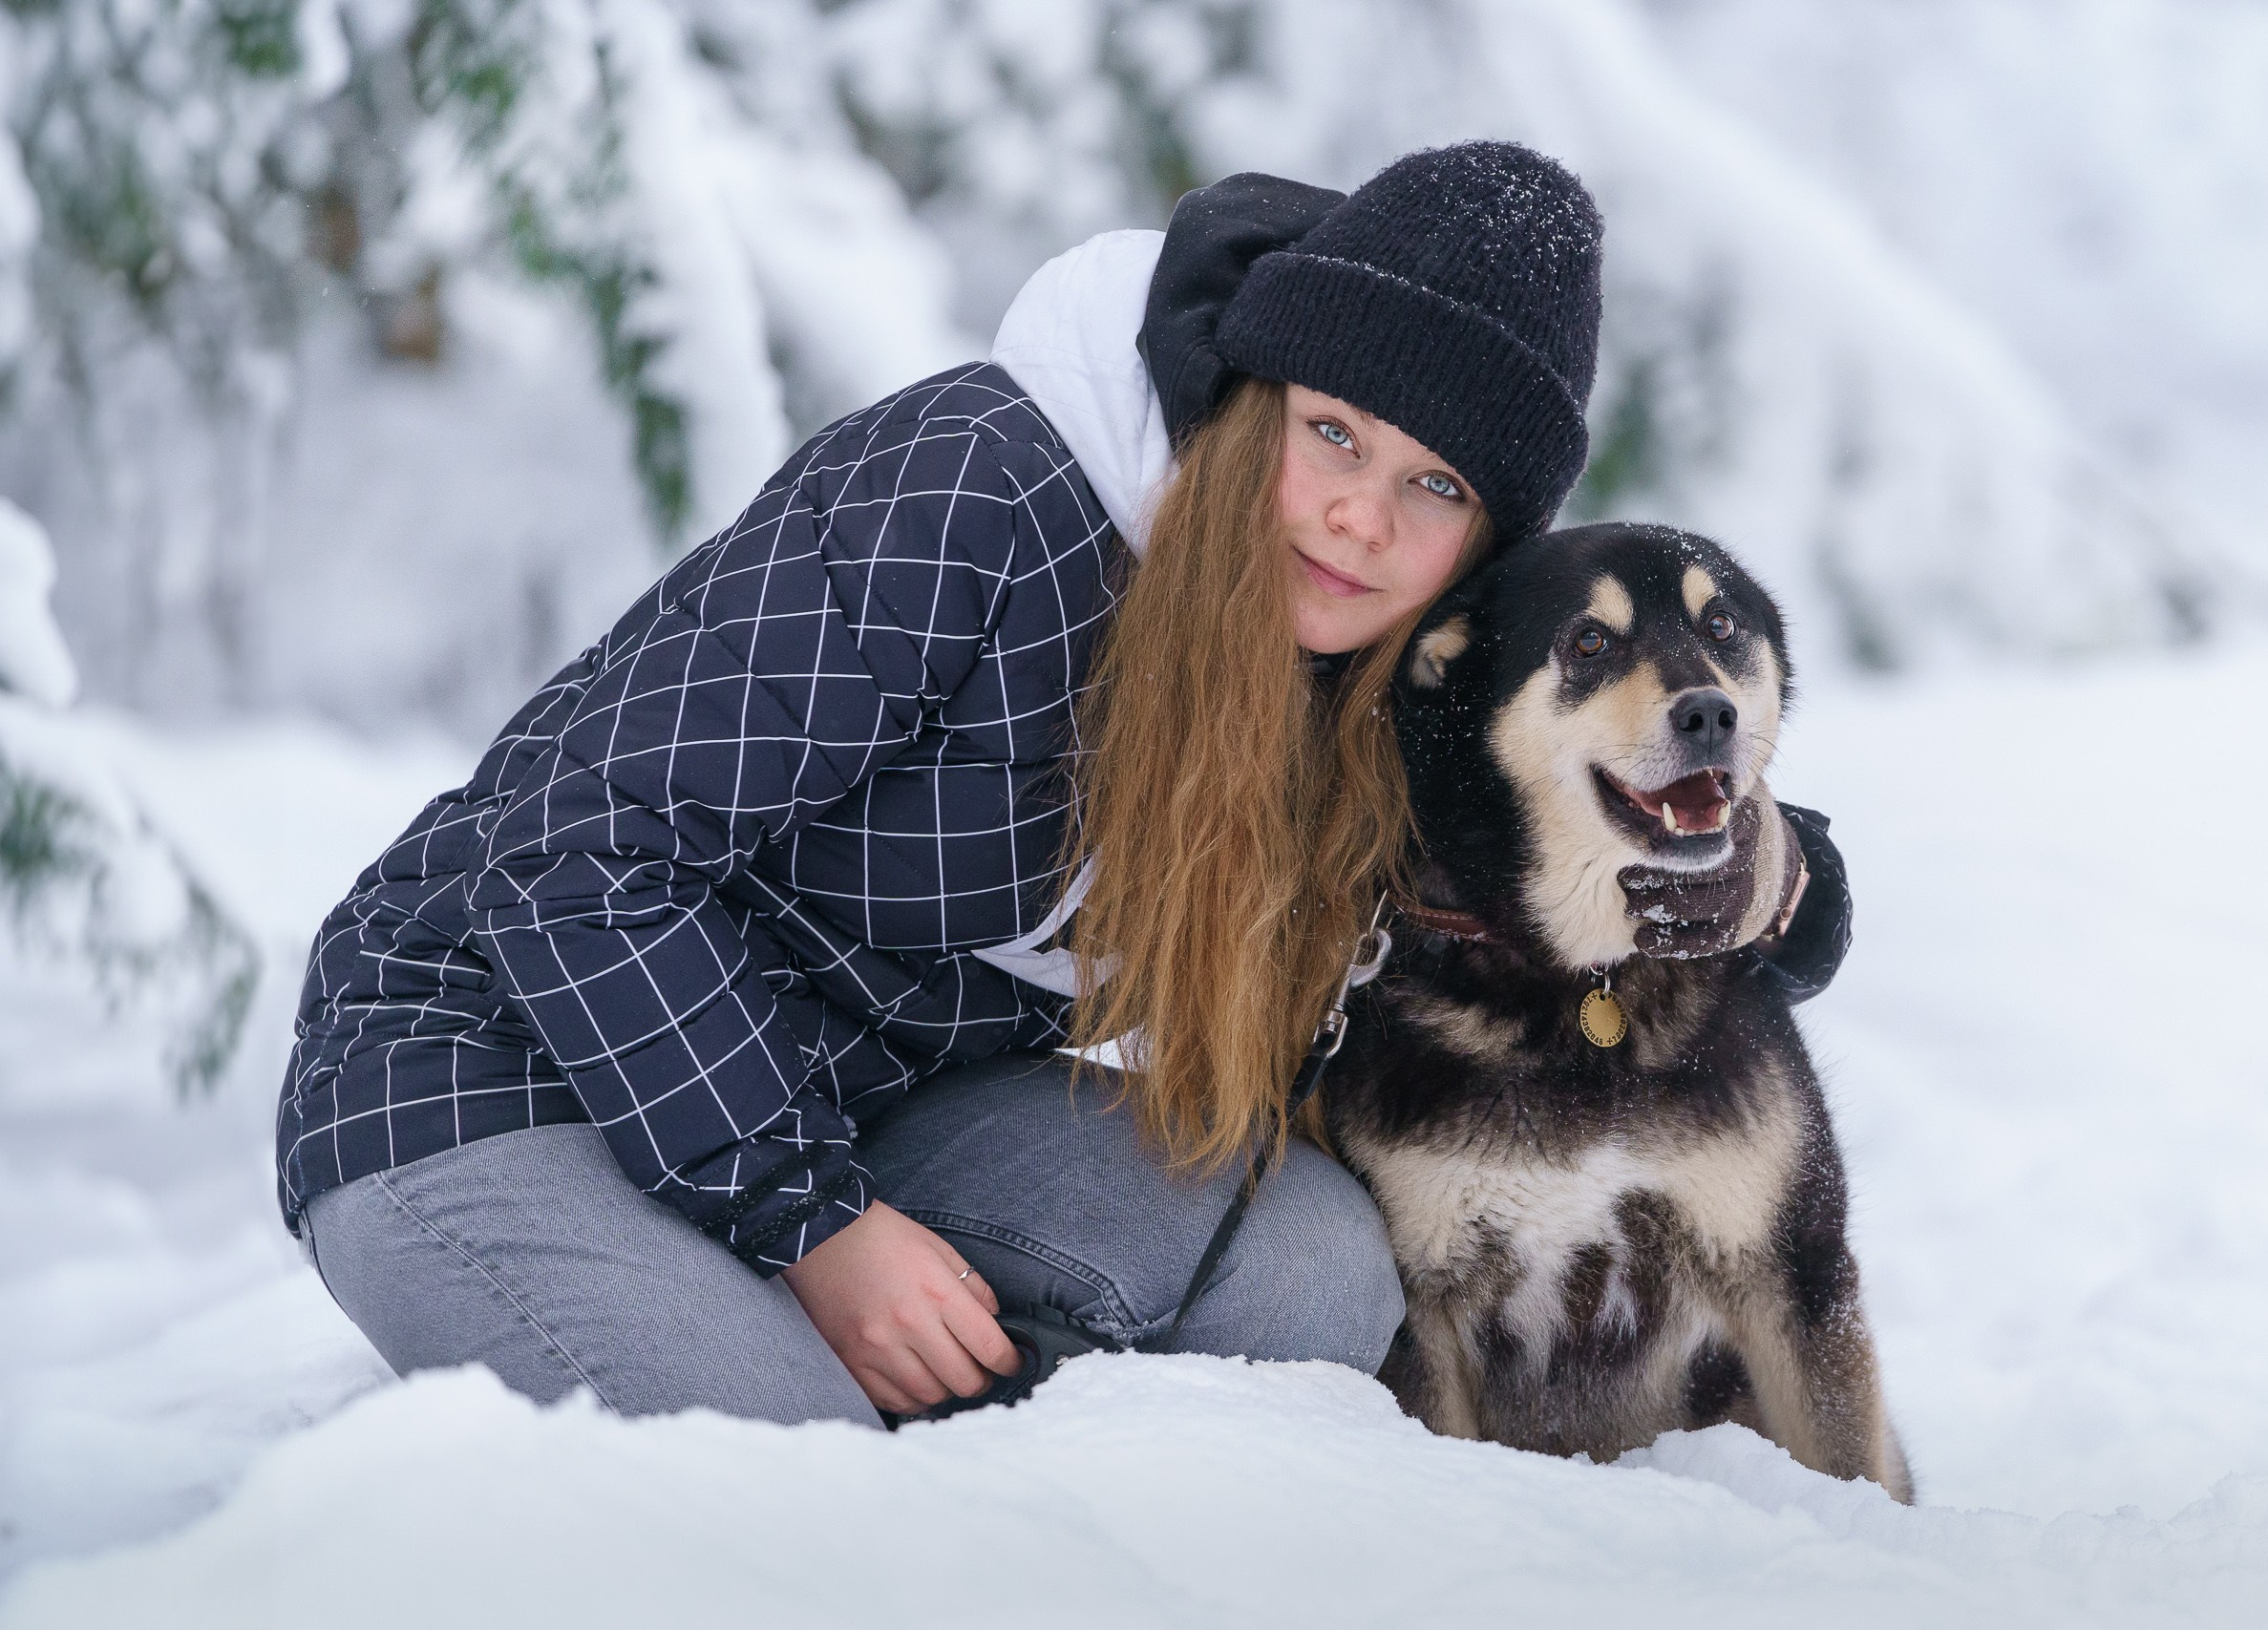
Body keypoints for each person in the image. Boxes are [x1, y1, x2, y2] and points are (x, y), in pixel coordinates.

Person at [276, 142, 1853, 1428]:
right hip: (481, 1074)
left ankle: (930, 1430)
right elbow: (575, 850)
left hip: (850, 1104)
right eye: (1335, 436)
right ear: (1260, 398)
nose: (1361, 518)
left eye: (1434, 488)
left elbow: (1542, 842)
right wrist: (816, 1231)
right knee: (782, 1493)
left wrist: (1766, 873)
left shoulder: (1352, 662)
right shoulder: (981, 492)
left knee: (1311, 1279)